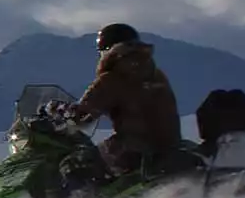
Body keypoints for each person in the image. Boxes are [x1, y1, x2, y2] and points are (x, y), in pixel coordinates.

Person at [67, 23, 185, 178]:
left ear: (106, 50)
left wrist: (68, 114)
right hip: (170, 145)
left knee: (81, 160)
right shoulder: (156, 74)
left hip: (134, 150)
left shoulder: (113, 78)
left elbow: (85, 112)